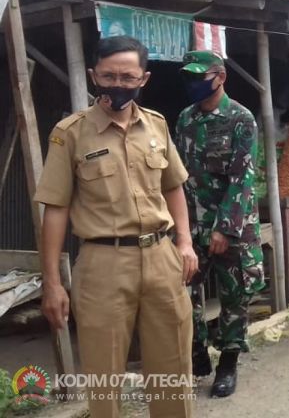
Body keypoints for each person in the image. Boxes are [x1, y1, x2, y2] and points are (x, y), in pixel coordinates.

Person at [35, 36, 197, 418]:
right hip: (103, 264)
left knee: (173, 368)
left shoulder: (157, 126)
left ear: (144, 78)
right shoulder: (70, 133)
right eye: (109, 76)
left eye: (128, 77)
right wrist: (53, 283)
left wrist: (185, 243)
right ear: (94, 75)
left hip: (161, 258)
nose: (118, 84)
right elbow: (55, 209)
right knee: (104, 375)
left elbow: (173, 185)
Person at [175, 51, 264, 398]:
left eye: (201, 76)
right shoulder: (185, 119)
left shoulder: (241, 119)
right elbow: (179, 175)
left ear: (220, 77)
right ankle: (197, 352)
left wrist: (224, 228)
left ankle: (228, 364)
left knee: (234, 296)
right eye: (189, 77)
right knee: (181, 290)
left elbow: (243, 177)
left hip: (233, 224)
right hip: (193, 223)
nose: (194, 83)